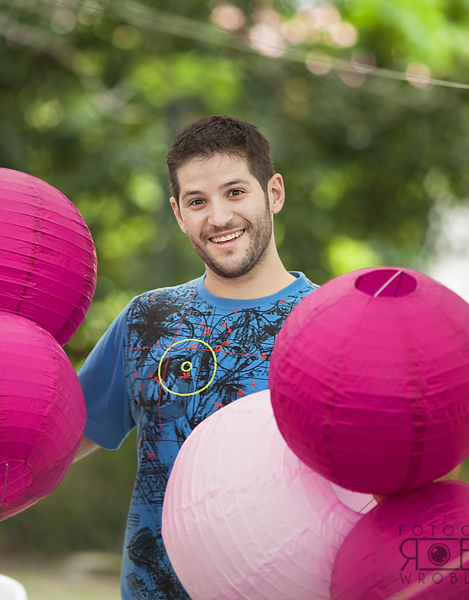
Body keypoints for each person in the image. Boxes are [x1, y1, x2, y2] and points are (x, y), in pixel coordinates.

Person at [74, 115, 318, 599]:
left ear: (274, 193)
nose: (219, 218)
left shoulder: (331, 323)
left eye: (235, 192)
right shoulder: (147, 319)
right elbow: (59, 442)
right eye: (197, 201)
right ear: (178, 213)